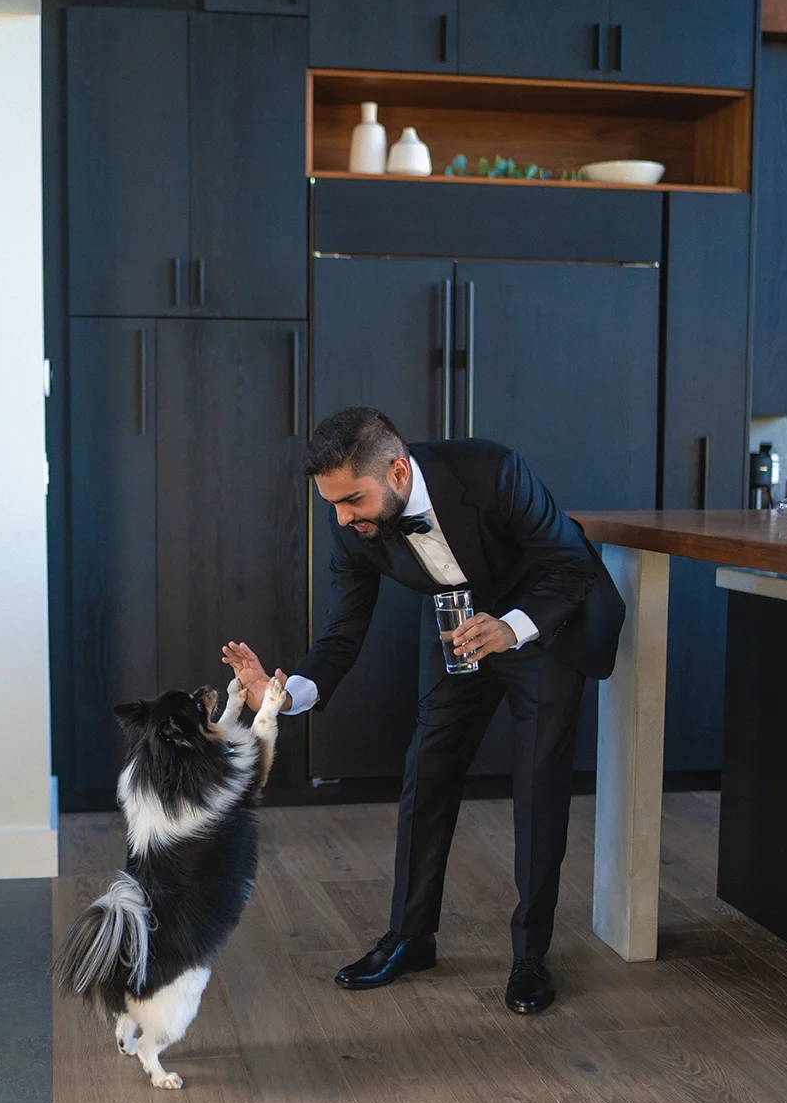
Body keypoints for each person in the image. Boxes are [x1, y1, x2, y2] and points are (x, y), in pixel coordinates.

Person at [222, 407, 624, 1014]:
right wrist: (277, 698)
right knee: (426, 768)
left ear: (399, 472)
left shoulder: (493, 471)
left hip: (541, 623)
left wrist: (511, 628)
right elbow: (341, 634)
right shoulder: (349, 521)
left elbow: (571, 565)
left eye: (352, 500)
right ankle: (411, 936)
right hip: (454, 626)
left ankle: (531, 955)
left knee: (539, 781)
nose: (342, 517)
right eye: (332, 503)